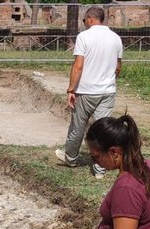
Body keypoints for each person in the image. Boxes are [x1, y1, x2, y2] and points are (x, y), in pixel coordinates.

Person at [55, 6, 123, 180]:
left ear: (90, 19)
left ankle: (70, 158)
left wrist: (71, 89)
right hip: (107, 91)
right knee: (102, 129)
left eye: (85, 20)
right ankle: (100, 168)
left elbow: (78, 65)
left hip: (85, 91)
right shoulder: (116, 38)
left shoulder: (84, 37)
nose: (84, 23)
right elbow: (118, 67)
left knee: (78, 126)